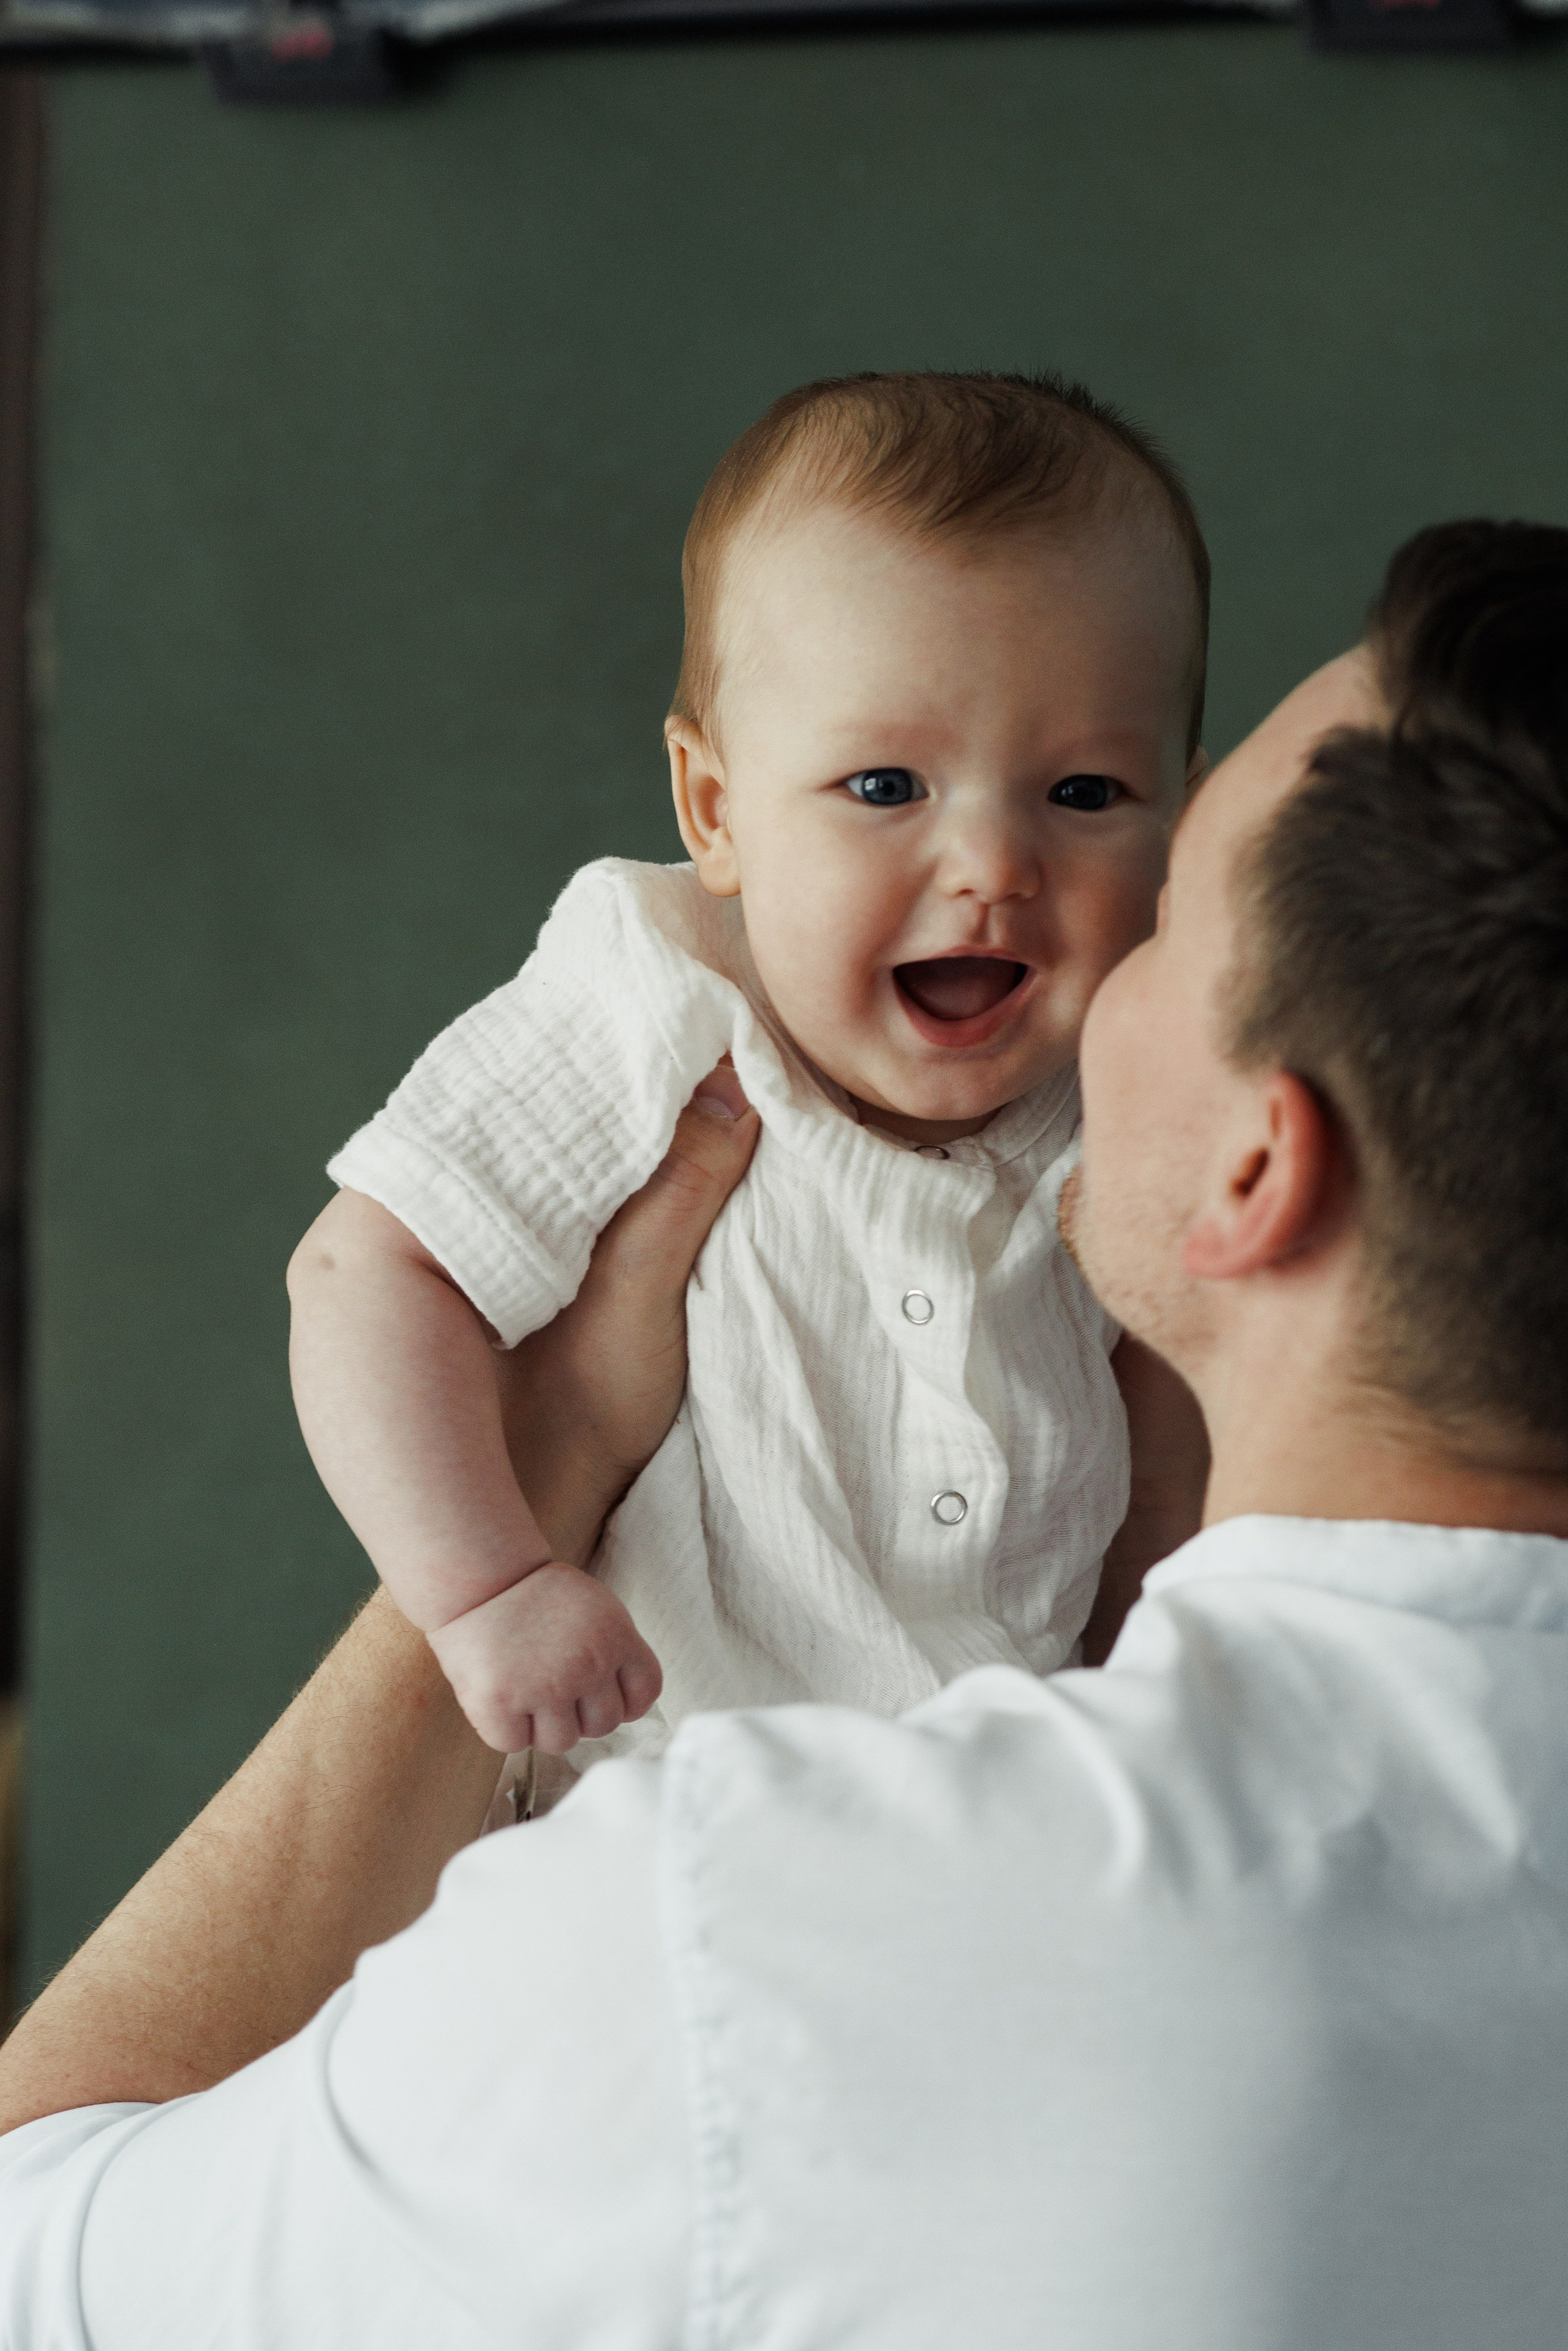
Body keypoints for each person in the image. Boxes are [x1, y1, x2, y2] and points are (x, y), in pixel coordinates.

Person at [4, 516, 1568, 2350]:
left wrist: (563, 1459)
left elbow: (40, 2251)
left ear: (1255, 1163)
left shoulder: (728, 1939)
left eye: (1154, 894)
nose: (1024, 901)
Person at [287, 370, 1208, 1769]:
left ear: (1177, 818)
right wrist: (489, 1585)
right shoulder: (661, 992)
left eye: (1082, 794)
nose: (991, 870)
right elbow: (365, 1274)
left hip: (1004, 1811)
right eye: (886, 787)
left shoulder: (1135, 1056)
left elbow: (1179, 1421)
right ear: (715, 811)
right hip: (657, 1801)